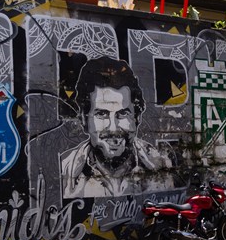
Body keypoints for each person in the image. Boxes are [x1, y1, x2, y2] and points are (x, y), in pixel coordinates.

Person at [60, 56, 174, 198]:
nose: (113, 128)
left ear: (137, 117)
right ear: (84, 118)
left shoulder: (160, 164)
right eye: (102, 114)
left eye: (122, 114)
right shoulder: (63, 168)